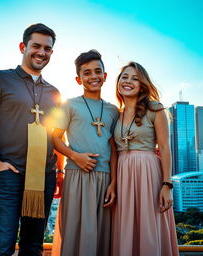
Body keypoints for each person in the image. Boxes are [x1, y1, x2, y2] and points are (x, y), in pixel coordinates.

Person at [0, 23, 61, 256]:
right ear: (23, 46)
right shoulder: (0, 79)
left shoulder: (54, 92)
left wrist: (58, 172)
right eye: (36, 46)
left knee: (33, 248)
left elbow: (56, 136)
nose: (42, 52)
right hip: (8, 176)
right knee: (2, 248)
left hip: (43, 179)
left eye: (47, 48)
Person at [51, 50, 118, 256]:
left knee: (102, 236)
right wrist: (75, 156)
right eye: (87, 73)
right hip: (77, 176)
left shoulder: (114, 110)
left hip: (105, 180)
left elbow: (114, 149)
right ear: (78, 79)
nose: (93, 76)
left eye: (98, 71)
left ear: (105, 76)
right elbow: (54, 138)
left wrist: (114, 183)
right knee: (75, 233)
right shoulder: (69, 105)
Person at [112, 62, 179, 256]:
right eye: (124, 77)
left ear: (142, 85)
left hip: (148, 174)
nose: (128, 81)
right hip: (123, 174)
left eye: (135, 78)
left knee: (149, 225)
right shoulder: (116, 114)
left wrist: (167, 185)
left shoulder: (155, 109)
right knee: (125, 228)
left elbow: (165, 148)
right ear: (118, 82)